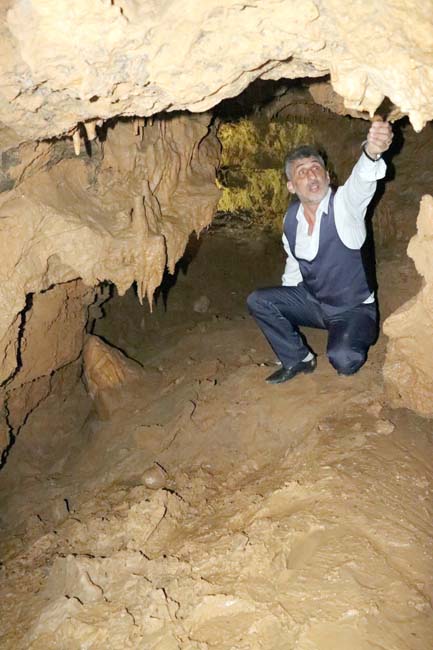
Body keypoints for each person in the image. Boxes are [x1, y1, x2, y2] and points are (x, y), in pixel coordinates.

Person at [247, 119, 393, 384]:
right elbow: (294, 264)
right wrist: (288, 305)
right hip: (315, 303)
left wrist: (372, 151)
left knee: (344, 360)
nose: (311, 175)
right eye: (301, 172)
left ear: (327, 176)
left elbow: (362, 180)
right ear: (291, 186)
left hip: (353, 309)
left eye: (316, 168)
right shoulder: (290, 220)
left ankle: (350, 336)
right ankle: (298, 359)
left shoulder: (345, 206)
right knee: (259, 300)